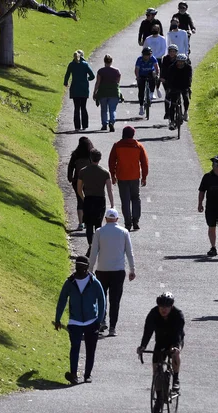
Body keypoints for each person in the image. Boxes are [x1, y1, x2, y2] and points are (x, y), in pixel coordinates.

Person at [54, 256, 106, 384]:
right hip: (75, 322)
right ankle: (73, 375)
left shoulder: (94, 282)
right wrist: (57, 319)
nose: (79, 270)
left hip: (91, 321)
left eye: (82, 267)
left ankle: (87, 375)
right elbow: (62, 300)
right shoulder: (69, 282)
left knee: (90, 349)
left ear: (87, 268)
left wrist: (99, 320)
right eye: (78, 267)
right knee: (75, 347)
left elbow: (102, 300)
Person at [88, 208, 135, 337]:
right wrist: (132, 269)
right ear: (117, 219)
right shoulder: (124, 232)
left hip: (102, 270)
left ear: (105, 219)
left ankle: (102, 320)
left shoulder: (99, 232)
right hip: (118, 271)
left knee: (101, 297)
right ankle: (112, 327)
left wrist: (90, 269)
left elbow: (93, 252)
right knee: (115, 300)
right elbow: (129, 252)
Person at [136, 292, 185, 413]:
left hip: (174, 340)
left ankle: (176, 380)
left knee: (175, 354)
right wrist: (142, 346)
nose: (163, 310)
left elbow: (179, 333)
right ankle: (158, 399)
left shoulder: (178, 315)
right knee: (156, 369)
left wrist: (176, 347)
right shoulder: (153, 314)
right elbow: (147, 332)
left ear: (171, 306)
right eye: (161, 307)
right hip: (161, 341)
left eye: (166, 307)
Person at [108, 126, 149, 231]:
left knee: (125, 200)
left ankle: (127, 223)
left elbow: (111, 161)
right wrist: (144, 177)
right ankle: (135, 220)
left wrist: (112, 175)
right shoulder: (138, 146)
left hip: (122, 176)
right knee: (135, 198)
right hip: (135, 176)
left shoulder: (117, 146)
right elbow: (144, 163)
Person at [77, 149, 115, 252]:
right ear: (100, 159)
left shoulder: (83, 171)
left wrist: (83, 197)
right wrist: (112, 204)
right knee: (98, 224)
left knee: (88, 224)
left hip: (88, 199)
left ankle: (90, 243)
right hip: (100, 200)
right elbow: (109, 189)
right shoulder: (105, 172)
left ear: (90, 158)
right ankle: (98, 244)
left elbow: (79, 188)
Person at [64, 50, 95, 131]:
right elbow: (92, 76)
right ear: (82, 56)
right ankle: (84, 126)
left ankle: (77, 127)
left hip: (75, 88)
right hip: (84, 89)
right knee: (83, 107)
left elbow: (67, 75)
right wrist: (86, 79)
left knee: (76, 108)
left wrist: (66, 82)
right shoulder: (85, 64)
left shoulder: (71, 64)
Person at [67, 137, 94, 230]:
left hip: (77, 180)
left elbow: (70, 167)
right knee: (89, 200)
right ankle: (88, 221)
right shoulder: (91, 154)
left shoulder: (75, 154)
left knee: (80, 201)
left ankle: (80, 223)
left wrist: (70, 177)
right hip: (89, 180)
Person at [92, 54, 121, 132]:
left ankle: (104, 124)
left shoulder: (101, 71)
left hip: (103, 92)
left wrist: (94, 92)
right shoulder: (116, 71)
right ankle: (112, 122)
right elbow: (117, 82)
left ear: (104, 61)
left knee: (104, 109)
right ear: (111, 61)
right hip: (113, 92)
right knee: (113, 109)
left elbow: (98, 83)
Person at [165, 53, 192, 128]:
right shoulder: (172, 68)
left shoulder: (188, 67)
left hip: (184, 85)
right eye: (179, 61)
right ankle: (172, 121)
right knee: (173, 104)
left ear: (185, 62)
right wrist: (170, 88)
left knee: (186, 98)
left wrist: (188, 87)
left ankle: (186, 112)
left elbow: (189, 78)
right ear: (176, 61)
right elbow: (169, 79)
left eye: (182, 62)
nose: (180, 63)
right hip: (174, 86)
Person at [135, 47, 160, 116]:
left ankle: (151, 92)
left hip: (150, 73)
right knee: (141, 90)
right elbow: (137, 69)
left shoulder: (153, 58)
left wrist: (157, 75)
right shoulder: (139, 59)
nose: (146, 57)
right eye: (145, 55)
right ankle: (141, 106)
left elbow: (157, 67)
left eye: (148, 55)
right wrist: (137, 77)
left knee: (154, 77)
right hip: (142, 74)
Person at [159, 44, 178, 119]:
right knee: (168, 95)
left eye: (174, 51)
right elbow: (163, 69)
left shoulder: (178, 59)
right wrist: (162, 78)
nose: (172, 53)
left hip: (176, 79)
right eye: (171, 51)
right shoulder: (165, 59)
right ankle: (167, 112)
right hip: (167, 79)